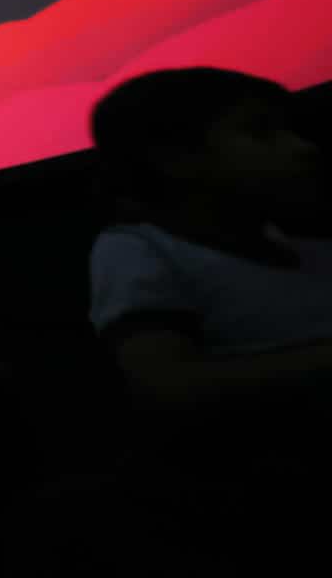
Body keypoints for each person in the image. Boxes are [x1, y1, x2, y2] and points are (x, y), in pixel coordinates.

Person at [32, 67, 332, 573]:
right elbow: (171, 387)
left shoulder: (313, 250)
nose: (302, 147)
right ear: (176, 160)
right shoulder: (137, 250)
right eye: (262, 132)